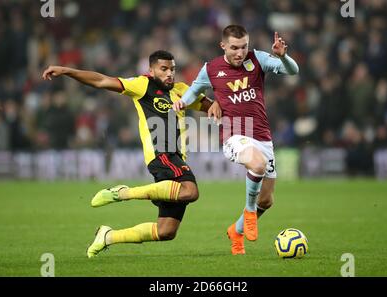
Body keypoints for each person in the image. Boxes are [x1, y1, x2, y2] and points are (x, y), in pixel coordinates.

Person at [42, 50, 221, 258]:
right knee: (190, 191)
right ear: (151, 70)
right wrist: (67, 70)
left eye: (172, 69)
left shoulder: (182, 90)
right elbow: (101, 81)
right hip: (162, 155)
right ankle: (123, 193)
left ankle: (107, 236)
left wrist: (218, 101)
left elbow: (212, 107)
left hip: (176, 158)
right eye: (163, 69)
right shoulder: (143, 85)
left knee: (166, 231)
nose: (169, 74)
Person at [173, 25, 299, 255]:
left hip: (262, 135)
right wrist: (183, 102)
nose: (240, 53)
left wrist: (284, 57)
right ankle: (249, 212)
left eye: (243, 47)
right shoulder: (211, 69)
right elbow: (194, 90)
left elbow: (293, 71)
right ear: (223, 46)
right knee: (258, 165)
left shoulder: (258, 59)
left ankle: (236, 231)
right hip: (234, 133)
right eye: (234, 48)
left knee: (267, 200)